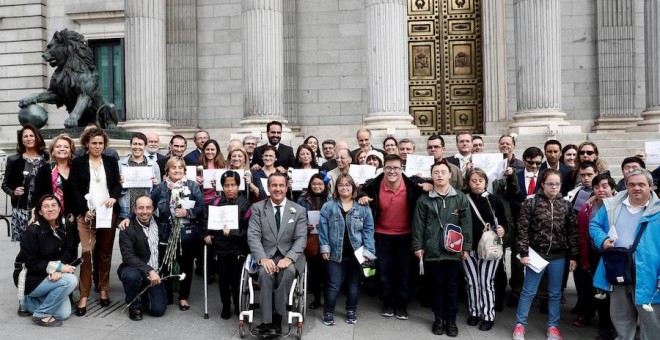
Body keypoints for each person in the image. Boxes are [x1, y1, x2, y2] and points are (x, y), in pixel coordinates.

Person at [590, 168, 660, 340]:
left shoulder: (658, 212)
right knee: (620, 317)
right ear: (626, 186)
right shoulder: (611, 206)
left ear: (651, 187)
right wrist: (603, 239)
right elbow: (595, 226)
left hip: (649, 274)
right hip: (618, 269)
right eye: (632, 184)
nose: (636, 188)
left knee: (651, 321)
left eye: (641, 184)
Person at [358, 154, 429, 321]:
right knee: (384, 271)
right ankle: (387, 302)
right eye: (388, 167)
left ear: (401, 169)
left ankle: (402, 304)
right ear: (383, 169)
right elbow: (361, 190)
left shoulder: (412, 185)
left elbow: (430, 185)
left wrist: (429, 184)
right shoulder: (374, 185)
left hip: (406, 236)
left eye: (396, 168)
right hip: (381, 235)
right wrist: (360, 195)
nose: (392, 171)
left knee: (405, 271)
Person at [512, 169, 578, 340]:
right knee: (528, 291)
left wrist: (573, 256)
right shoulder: (531, 203)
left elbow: (572, 232)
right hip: (536, 255)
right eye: (550, 183)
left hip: (559, 256)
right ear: (542, 184)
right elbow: (523, 230)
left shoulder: (565, 204)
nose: (554, 187)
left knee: (555, 293)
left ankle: (553, 327)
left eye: (557, 184)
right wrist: (523, 253)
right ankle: (520, 325)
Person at [412, 160, 472, 337]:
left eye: (443, 172)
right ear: (431, 176)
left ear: (450, 175)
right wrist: (418, 246)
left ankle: (451, 320)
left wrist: (466, 247)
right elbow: (418, 224)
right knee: (436, 286)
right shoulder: (424, 199)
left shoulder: (460, 197)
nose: (440, 175)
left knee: (452, 286)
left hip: (453, 250)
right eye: (436, 172)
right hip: (432, 251)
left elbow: (466, 224)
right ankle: (438, 319)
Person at [247, 172, 307, 336]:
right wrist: (262, 258)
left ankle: (278, 318)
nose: (278, 189)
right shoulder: (258, 208)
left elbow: (301, 238)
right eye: (274, 185)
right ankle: (266, 321)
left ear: (287, 187)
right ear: (268, 188)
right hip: (266, 255)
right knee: (265, 274)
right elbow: (253, 236)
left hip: (290, 256)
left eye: (281, 185)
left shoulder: (299, 210)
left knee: (286, 273)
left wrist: (289, 258)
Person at [69, 127, 121, 316]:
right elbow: (73, 188)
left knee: (105, 253)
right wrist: (83, 209)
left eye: (100, 143)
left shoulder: (111, 161)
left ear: (104, 144)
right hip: (87, 214)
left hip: (108, 212)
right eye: (94, 143)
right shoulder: (79, 163)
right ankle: (84, 294)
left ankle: (103, 287)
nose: (97, 146)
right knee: (87, 252)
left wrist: (114, 198)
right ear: (86, 144)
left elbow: (116, 184)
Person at [319, 174, 376, 326]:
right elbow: (323, 230)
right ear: (336, 188)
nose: (344, 187)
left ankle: (351, 310)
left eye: (347, 185)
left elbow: (368, 231)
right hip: (334, 252)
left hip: (356, 253)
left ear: (353, 188)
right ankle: (328, 311)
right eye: (341, 185)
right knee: (334, 284)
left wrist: (368, 252)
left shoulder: (363, 208)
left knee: (354, 284)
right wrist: (324, 248)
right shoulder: (328, 206)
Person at [149, 156, 204, 310]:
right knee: (165, 265)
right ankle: (167, 295)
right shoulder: (160, 188)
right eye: (174, 167)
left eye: (180, 168)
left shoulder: (192, 186)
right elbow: (149, 205)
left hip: (186, 235)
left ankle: (183, 296)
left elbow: (201, 208)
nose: (177, 170)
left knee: (185, 266)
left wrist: (188, 212)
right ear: (167, 170)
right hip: (166, 234)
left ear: (184, 170)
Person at [16, 195, 78, 327]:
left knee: (63, 314)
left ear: (60, 208)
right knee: (71, 280)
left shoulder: (66, 225)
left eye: (54, 205)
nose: (50, 209)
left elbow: (69, 250)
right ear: (39, 211)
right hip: (32, 278)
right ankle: (40, 313)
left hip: (54, 274)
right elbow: (31, 263)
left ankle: (30, 303)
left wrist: (59, 270)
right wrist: (58, 268)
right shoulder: (32, 231)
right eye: (46, 206)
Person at [201, 171, 251, 319]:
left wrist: (233, 233)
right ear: (222, 187)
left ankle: (238, 305)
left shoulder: (245, 204)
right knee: (223, 280)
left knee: (236, 280)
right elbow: (205, 221)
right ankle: (226, 306)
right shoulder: (215, 203)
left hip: (237, 249)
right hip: (219, 249)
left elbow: (249, 230)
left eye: (233, 185)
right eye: (226, 185)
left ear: (238, 186)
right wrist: (206, 234)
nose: (230, 189)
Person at [462, 169, 507, 331]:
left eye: (480, 180)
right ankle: (474, 312)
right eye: (473, 180)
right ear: (468, 182)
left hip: (489, 247)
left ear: (485, 182)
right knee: (472, 282)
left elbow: (503, 221)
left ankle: (488, 315)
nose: (477, 183)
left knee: (486, 282)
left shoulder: (493, 199)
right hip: (468, 248)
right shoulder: (463, 199)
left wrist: (502, 229)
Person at [573, 175, 616, 338]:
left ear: (613, 188)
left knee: (615, 293)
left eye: (605, 186)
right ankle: (604, 326)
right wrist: (584, 259)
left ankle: (615, 325)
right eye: (597, 187)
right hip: (595, 253)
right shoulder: (587, 207)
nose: (601, 190)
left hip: (615, 255)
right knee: (599, 292)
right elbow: (583, 233)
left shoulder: (620, 204)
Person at [117, 196, 167, 321]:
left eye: (148, 208)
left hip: (156, 273)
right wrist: (149, 270)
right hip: (136, 269)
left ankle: (144, 293)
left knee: (158, 310)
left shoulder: (160, 223)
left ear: (153, 209)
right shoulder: (126, 228)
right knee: (131, 276)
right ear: (134, 210)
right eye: (141, 208)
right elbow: (128, 256)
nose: (145, 211)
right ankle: (134, 304)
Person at [2, 124, 48, 242]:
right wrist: (13, 192)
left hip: (43, 208)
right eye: (25, 136)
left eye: (31, 135)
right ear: (21, 140)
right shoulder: (14, 160)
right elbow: (5, 184)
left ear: (37, 137)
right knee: (26, 246)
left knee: (43, 243)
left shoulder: (46, 158)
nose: (29, 138)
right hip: (22, 208)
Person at [296, 174, 328, 309]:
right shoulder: (303, 199)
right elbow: (296, 218)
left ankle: (328, 300)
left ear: (325, 185)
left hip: (328, 240)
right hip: (311, 240)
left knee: (328, 273)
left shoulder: (332, 199)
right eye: (314, 183)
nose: (317, 186)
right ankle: (316, 299)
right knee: (314, 272)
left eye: (320, 184)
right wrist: (305, 226)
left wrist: (326, 225)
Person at [33, 134, 76, 224]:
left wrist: (75, 213)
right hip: (51, 219)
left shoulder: (77, 169)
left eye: (66, 147)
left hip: (75, 219)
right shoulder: (44, 170)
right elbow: (37, 195)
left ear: (70, 151)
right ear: (52, 151)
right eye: (58, 146)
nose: (62, 149)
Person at [118, 132, 161, 220]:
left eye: (140, 144)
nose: (137, 147)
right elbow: (115, 190)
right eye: (135, 144)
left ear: (145, 146)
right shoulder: (120, 164)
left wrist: (156, 184)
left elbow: (159, 192)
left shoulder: (153, 165)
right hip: (126, 210)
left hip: (146, 212)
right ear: (130, 145)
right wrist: (119, 183)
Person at [195, 139, 226, 204]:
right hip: (202, 199)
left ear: (217, 151)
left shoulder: (222, 165)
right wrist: (197, 182)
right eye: (207, 149)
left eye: (212, 149)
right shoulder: (199, 165)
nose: (210, 152)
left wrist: (218, 184)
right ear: (204, 150)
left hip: (218, 200)